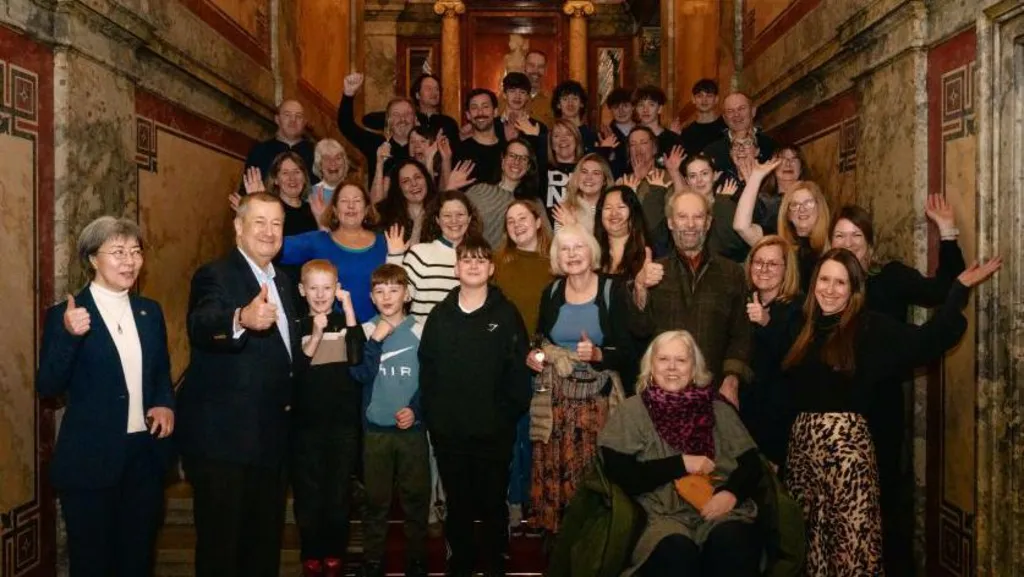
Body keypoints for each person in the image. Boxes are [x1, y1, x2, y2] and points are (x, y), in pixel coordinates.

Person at [779, 248, 1000, 575]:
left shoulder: (870, 328)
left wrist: (958, 292)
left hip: (847, 462)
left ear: (854, 290)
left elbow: (926, 341)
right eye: (824, 279)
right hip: (803, 460)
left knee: (852, 553)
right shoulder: (801, 327)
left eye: (840, 282)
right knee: (810, 553)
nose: (829, 288)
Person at [829, 198, 966, 576]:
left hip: (880, 405)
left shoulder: (888, 278)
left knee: (883, 492)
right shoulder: (824, 283)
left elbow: (939, 290)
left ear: (869, 243)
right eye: (839, 235)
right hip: (834, 411)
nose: (848, 242)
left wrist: (948, 231)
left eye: (856, 235)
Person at [37, 216, 174, 577]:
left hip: (143, 458)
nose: (129, 261)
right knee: (93, 564)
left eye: (135, 251)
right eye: (117, 252)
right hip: (90, 462)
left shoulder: (149, 312)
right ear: (92, 260)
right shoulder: (65, 315)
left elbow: (159, 372)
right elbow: (48, 386)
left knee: (137, 560)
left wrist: (164, 402)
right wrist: (69, 336)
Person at [177, 192, 302, 577]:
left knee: (262, 550)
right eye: (259, 222)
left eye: (277, 223)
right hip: (224, 447)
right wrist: (240, 317)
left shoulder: (283, 280)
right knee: (221, 553)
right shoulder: (215, 274)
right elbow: (202, 323)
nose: (269, 232)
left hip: (271, 443)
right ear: (238, 227)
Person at [597, 330, 763, 577]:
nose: (672, 367)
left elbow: (752, 464)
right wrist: (680, 463)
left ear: (694, 367)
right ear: (650, 366)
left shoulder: (718, 408)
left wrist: (732, 494)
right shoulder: (631, 411)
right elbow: (621, 473)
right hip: (660, 516)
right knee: (677, 553)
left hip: (720, 508)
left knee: (732, 543)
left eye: (681, 360)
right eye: (663, 359)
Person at [418, 238, 533, 577]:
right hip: (449, 432)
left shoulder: (507, 314)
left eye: (480, 260)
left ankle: (495, 561)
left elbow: (518, 372)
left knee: (493, 503)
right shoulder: (440, 315)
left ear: (491, 269)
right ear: (456, 268)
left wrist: (506, 417)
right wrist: (436, 418)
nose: (472, 265)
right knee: (459, 505)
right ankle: (461, 562)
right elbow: (428, 369)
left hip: (493, 432)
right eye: (466, 260)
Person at [526, 224, 636, 537]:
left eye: (579, 247)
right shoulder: (551, 292)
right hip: (556, 401)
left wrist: (599, 354)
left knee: (592, 468)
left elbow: (628, 350)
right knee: (554, 467)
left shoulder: (612, 290)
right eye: (565, 249)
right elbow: (541, 339)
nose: (572, 254)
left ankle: (596, 536)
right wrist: (536, 355)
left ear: (592, 253)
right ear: (557, 257)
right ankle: (557, 538)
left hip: (596, 402)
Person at [631, 191, 752, 407]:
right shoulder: (653, 271)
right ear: (670, 222)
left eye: (697, 217)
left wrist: (732, 380)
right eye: (682, 216)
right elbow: (638, 330)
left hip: (714, 395)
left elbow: (741, 334)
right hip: (661, 394)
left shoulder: (732, 273)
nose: (690, 225)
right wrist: (640, 287)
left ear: (708, 223)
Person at [349, 264, 430, 577]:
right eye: (380, 291)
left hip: (411, 432)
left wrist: (416, 410)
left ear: (406, 294)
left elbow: (432, 380)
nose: (387, 296)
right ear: (371, 296)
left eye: (394, 289)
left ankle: (417, 558)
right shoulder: (366, 332)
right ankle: (373, 559)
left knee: (415, 498)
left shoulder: (421, 331)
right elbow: (359, 374)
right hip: (376, 433)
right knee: (375, 501)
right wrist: (375, 341)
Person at [290, 260, 365, 577]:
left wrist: (348, 310)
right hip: (306, 428)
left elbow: (357, 357)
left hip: (343, 427)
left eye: (327, 288)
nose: (320, 295)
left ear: (337, 289)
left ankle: (335, 554)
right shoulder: (294, 326)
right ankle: (311, 553)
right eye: (313, 288)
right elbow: (295, 375)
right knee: (309, 496)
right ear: (302, 290)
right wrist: (316, 336)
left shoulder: (344, 321)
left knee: (338, 495)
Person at [491, 198, 555, 532]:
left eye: (523, 218)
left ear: (538, 221)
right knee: (512, 437)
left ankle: (539, 503)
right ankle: (515, 502)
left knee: (538, 436)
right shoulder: (498, 262)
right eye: (510, 220)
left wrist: (543, 351)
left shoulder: (554, 262)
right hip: (507, 364)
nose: (517, 225)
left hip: (543, 361)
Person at [279, 183, 388, 322]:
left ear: (367, 209)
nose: (351, 206)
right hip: (332, 335)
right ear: (335, 209)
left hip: (379, 332)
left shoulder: (386, 243)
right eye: (344, 201)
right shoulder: (317, 241)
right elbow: (271, 246)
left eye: (357, 200)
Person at [738, 235, 802, 469]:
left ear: (787, 269)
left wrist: (767, 323)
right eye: (758, 262)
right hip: (744, 416)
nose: (764, 269)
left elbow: (793, 361)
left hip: (778, 422)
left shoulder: (798, 309)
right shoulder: (742, 301)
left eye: (773, 264)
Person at [387, 188, 484, 321]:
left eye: (460, 214)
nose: (454, 220)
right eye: (447, 215)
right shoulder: (419, 253)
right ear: (437, 220)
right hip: (423, 338)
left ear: (469, 218)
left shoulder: (479, 257)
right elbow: (397, 296)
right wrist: (395, 257)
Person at [448, 138, 543, 249]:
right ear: (502, 161)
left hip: (512, 264)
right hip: (474, 260)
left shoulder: (534, 202)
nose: (517, 162)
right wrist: (450, 188)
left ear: (528, 167)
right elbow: (449, 218)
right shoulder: (479, 190)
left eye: (523, 158)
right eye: (512, 155)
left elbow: (546, 241)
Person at [340, 72, 413, 185]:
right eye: (396, 115)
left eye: (408, 114)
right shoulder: (376, 144)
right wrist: (348, 94)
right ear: (388, 121)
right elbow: (346, 126)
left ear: (415, 119)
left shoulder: (423, 145)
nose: (402, 119)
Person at [232, 152, 320, 238]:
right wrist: (256, 209)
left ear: (304, 178)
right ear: (276, 180)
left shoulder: (314, 209)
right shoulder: (270, 207)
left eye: (297, 172)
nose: (292, 178)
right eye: (285, 173)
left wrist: (321, 221)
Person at [620, 127, 674, 251]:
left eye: (643, 143)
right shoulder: (623, 181)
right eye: (633, 145)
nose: (638, 149)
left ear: (654, 148)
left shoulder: (669, 177)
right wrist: (638, 180)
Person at [703, 92, 778, 181]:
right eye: (730, 111)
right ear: (724, 118)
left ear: (753, 111)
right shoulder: (711, 151)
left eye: (741, 108)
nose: (736, 114)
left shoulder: (771, 146)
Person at [241, 99, 315, 188]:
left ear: (304, 122)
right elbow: (248, 187)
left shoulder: (316, 153)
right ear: (277, 119)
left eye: (298, 116)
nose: (293, 120)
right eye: (287, 115)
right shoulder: (260, 151)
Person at [376, 158, 437, 247]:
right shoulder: (386, 216)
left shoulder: (440, 211)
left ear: (426, 179)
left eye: (417, 177)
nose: (414, 184)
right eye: (406, 181)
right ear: (398, 188)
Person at [593, 184, 650, 280]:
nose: (614, 213)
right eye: (607, 208)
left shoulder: (648, 254)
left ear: (633, 213)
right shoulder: (591, 254)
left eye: (621, 207)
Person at [552, 153, 614, 233]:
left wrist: (574, 225)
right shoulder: (565, 209)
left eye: (596, 173)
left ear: (604, 181)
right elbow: (560, 243)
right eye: (584, 172)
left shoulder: (612, 209)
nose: (589, 177)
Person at [454, 89, 505, 184]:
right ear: (468, 115)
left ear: (495, 112)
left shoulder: (507, 149)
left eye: (485, 107)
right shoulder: (459, 150)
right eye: (474, 108)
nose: (480, 112)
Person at [679, 79, 728, 154]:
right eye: (699, 96)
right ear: (693, 99)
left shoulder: (726, 127)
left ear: (716, 99)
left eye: (709, 96)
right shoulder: (686, 132)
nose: (704, 100)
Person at [633, 85, 680, 158]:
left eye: (651, 105)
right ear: (636, 109)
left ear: (660, 109)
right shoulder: (631, 139)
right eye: (641, 105)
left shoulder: (673, 139)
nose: (645, 110)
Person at [551, 80, 597, 152]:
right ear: (558, 105)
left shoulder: (592, 137)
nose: (570, 103)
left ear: (581, 103)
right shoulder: (551, 136)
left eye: (575, 99)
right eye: (565, 99)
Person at [603, 87, 635, 178]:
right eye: (616, 107)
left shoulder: (643, 131)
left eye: (625, 106)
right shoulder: (604, 135)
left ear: (633, 107)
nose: (621, 111)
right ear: (611, 110)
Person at [311, 138, 350, 205]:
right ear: (319, 165)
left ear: (345, 163)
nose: (333, 163)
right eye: (327, 159)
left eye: (338, 158)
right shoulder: (311, 194)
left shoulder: (355, 191)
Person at [524, 50, 555, 127]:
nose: (536, 70)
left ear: (545, 70)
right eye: (531, 65)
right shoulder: (507, 98)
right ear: (524, 67)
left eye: (540, 67)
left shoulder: (553, 101)